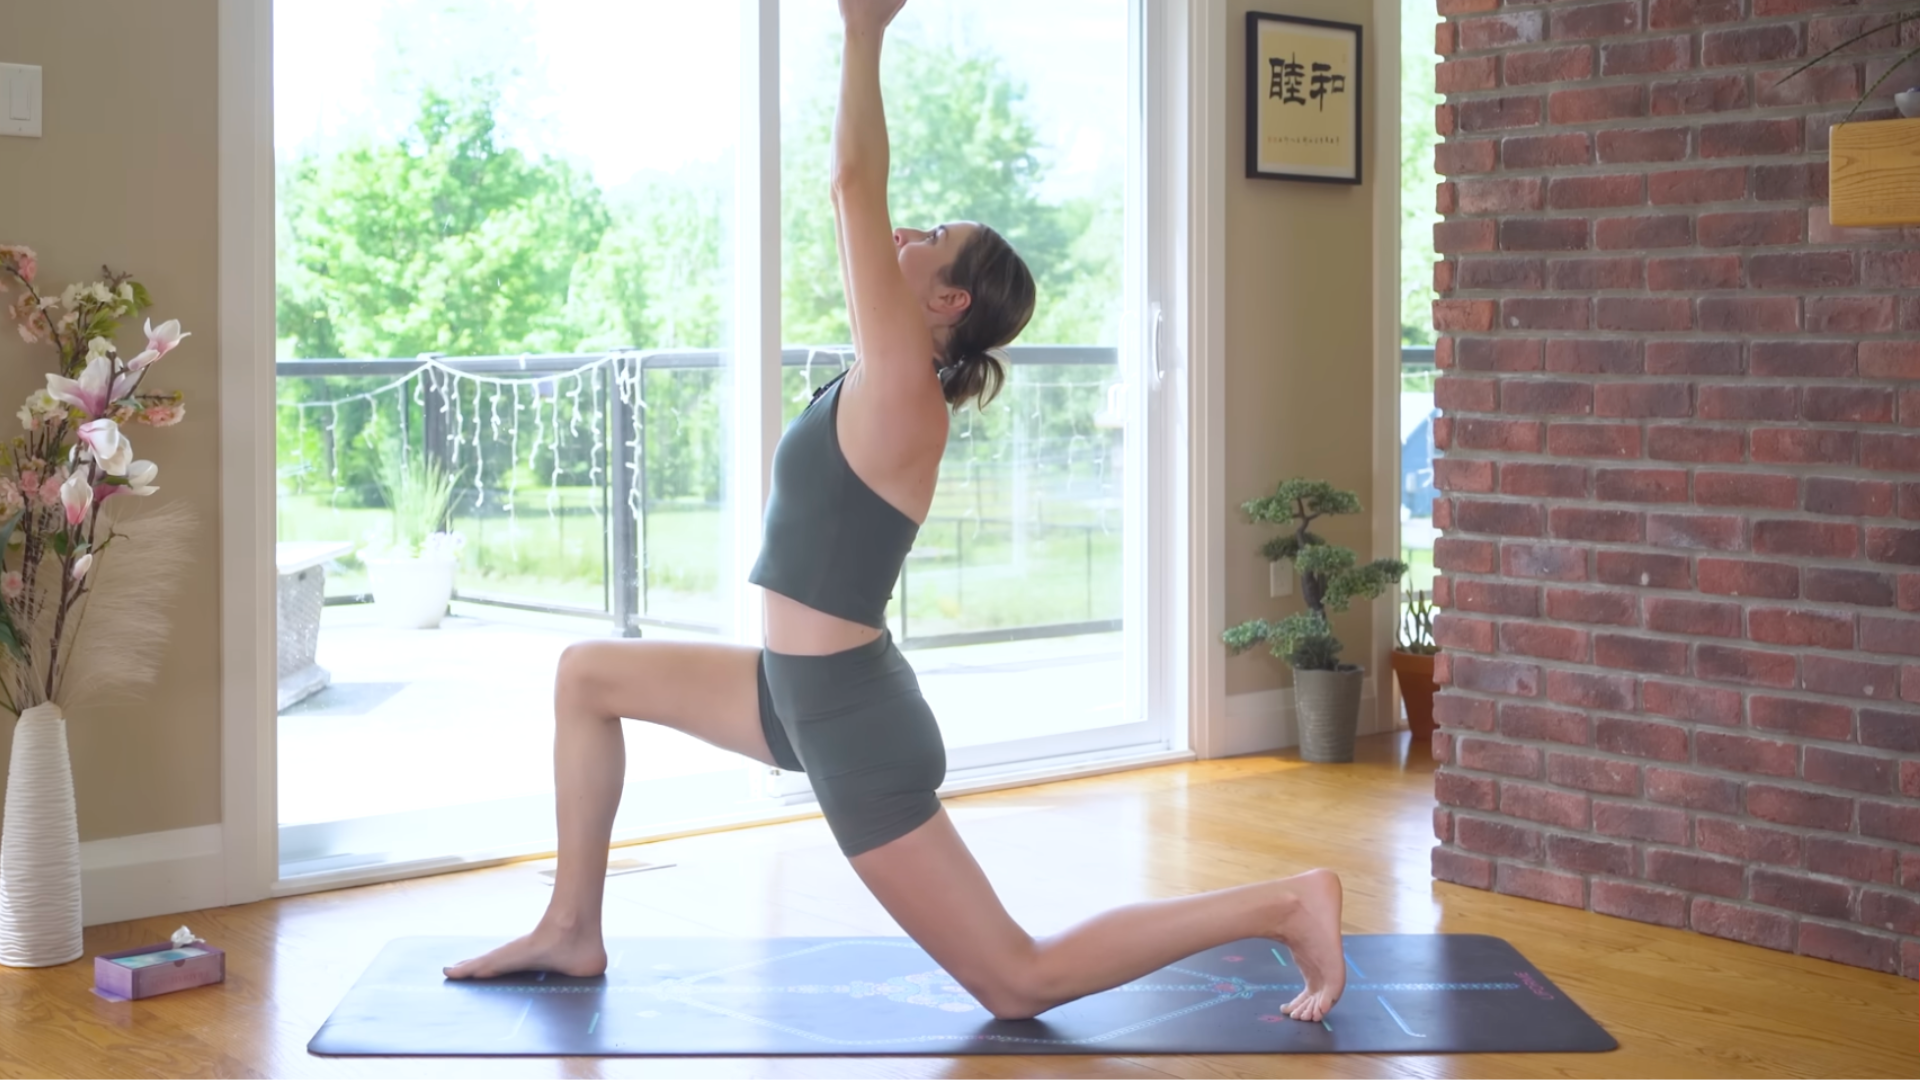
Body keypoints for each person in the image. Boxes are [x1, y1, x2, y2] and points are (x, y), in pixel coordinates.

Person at [445, 0, 1346, 1024]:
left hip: (852, 723)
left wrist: (863, 30)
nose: (907, 232)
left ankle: (1286, 902)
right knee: (587, 675)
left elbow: (849, 186)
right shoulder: (880, 382)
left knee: (1018, 980)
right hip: (795, 693)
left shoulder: (905, 392)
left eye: (933, 237)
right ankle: (571, 927)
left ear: (949, 300)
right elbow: (860, 204)